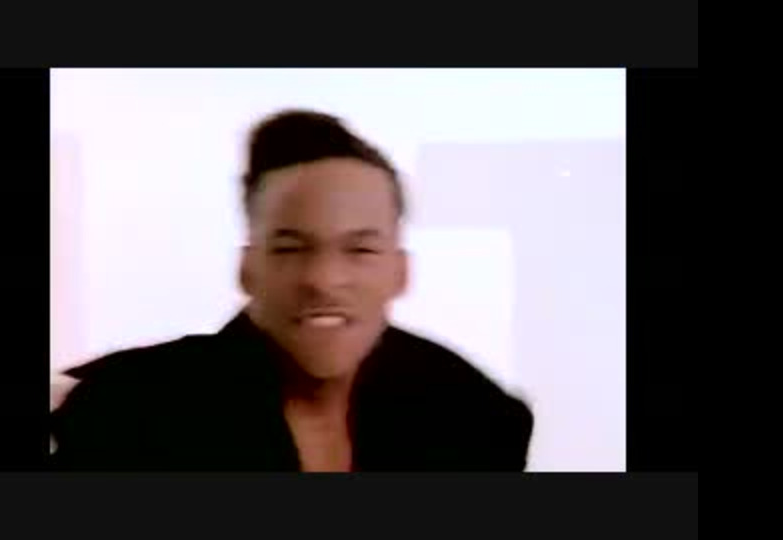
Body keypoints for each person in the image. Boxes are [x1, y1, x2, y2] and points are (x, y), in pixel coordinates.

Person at [50, 109, 534, 471]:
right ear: (247, 268)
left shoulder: (475, 418)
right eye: (290, 248)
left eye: (360, 249)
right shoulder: (125, 414)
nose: (323, 278)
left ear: (400, 271)